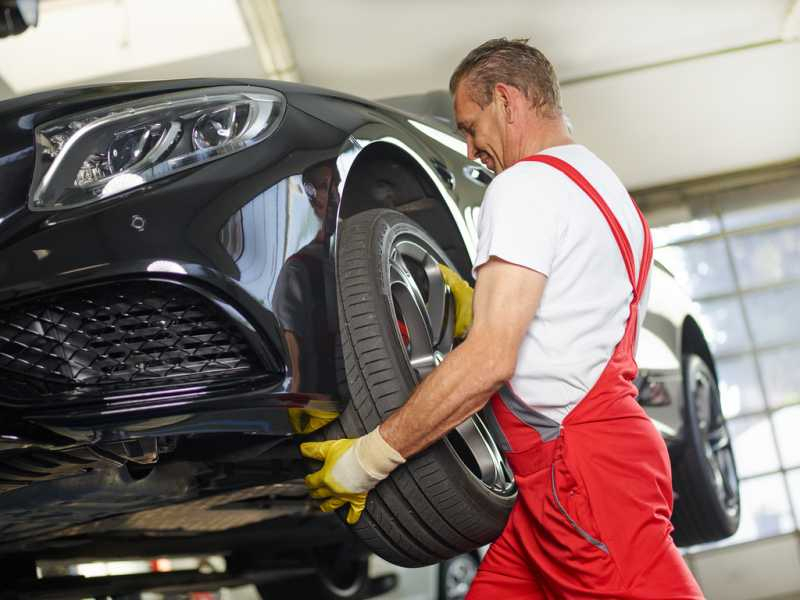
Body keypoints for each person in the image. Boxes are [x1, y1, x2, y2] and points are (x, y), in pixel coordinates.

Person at [300, 38, 703, 599]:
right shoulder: (604, 190)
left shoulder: (524, 186)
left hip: (579, 476)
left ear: (507, 101)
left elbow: (490, 360)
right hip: (571, 472)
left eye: (470, 126)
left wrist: (368, 459)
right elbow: (571, 322)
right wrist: (477, 303)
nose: (470, 151)